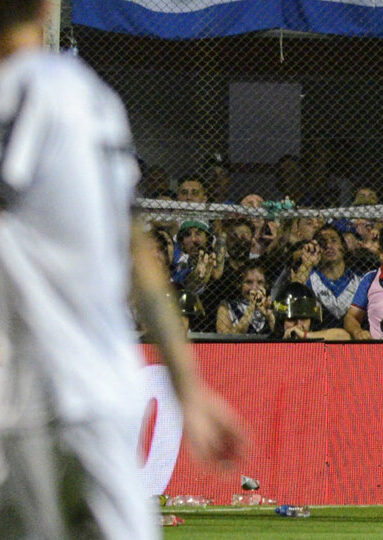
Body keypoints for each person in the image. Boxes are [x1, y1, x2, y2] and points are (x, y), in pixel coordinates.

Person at [0, 2, 243, 537]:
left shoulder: (16, 98)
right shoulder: (93, 100)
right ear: (45, 10)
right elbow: (138, 252)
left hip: (23, 405)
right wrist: (189, 387)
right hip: (102, 395)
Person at [274, 282, 350, 340]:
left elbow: (344, 336)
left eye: (304, 318)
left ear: (312, 320)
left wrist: (305, 335)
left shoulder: (318, 337)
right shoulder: (271, 344)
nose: (298, 326)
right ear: (281, 322)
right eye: (292, 319)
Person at [216, 263, 276, 335]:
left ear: (266, 285)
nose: (254, 288)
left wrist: (270, 316)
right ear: (239, 284)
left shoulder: (274, 306)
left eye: (260, 282)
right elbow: (224, 341)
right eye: (249, 282)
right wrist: (251, 308)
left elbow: (282, 337)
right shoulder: (226, 307)